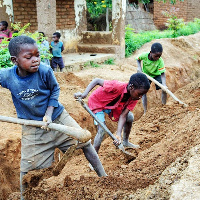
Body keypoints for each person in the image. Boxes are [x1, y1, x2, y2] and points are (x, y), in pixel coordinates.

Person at [0, 36, 106, 200]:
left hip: (58, 118)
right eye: (29, 57)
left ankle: (103, 177)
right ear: (15, 60)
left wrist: (48, 114)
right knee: (27, 169)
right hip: (33, 129)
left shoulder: (44, 71)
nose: (35, 60)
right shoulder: (7, 77)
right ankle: (23, 197)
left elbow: (55, 91)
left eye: (38, 55)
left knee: (85, 142)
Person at [74, 73, 150, 155]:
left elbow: (123, 115)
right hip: (97, 103)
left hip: (112, 106)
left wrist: (118, 135)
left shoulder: (134, 98)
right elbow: (97, 80)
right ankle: (94, 157)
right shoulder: (116, 86)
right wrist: (84, 94)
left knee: (130, 116)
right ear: (131, 87)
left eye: (143, 95)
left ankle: (125, 141)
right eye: (140, 94)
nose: (141, 97)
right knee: (102, 130)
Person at [136, 42, 167, 114]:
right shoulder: (144, 56)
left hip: (156, 75)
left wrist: (164, 85)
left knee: (164, 90)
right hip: (146, 75)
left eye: (159, 56)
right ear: (150, 52)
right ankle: (145, 112)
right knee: (143, 91)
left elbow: (162, 74)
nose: (158, 58)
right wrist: (139, 68)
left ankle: (164, 107)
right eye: (156, 56)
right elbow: (138, 59)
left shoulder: (160, 60)